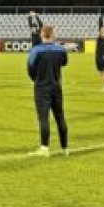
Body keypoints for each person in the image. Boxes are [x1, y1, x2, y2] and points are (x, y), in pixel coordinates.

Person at [27, 25, 69, 157]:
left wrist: (36, 79)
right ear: (53, 35)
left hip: (42, 87)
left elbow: (30, 68)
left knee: (43, 117)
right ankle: (65, 148)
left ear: (42, 34)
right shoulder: (60, 49)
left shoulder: (36, 50)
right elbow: (64, 63)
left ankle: (44, 148)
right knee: (60, 116)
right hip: (56, 86)